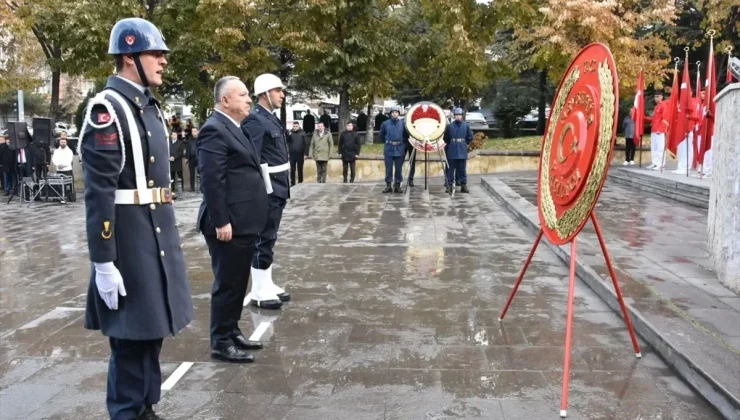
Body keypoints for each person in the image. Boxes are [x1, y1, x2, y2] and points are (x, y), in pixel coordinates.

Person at [78, 17, 192, 420]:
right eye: (155, 53)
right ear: (129, 57)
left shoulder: (145, 106)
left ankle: (146, 409)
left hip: (153, 235)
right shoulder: (107, 110)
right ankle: (128, 412)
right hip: (128, 242)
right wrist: (104, 261)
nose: (162, 61)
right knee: (129, 341)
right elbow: (99, 193)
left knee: (150, 334)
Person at [197, 76, 268, 363]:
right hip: (228, 225)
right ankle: (220, 341)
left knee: (239, 281)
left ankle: (232, 329)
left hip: (243, 222)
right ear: (225, 100)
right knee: (228, 283)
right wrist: (221, 221)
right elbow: (212, 181)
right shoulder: (214, 129)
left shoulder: (235, 127)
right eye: (242, 95)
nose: (249, 99)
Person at [241, 73, 291, 309]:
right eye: (278, 91)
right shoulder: (255, 120)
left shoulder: (270, 118)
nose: (282, 95)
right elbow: (252, 159)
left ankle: (266, 283)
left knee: (270, 237)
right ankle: (259, 290)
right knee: (263, 238)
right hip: (268, 188)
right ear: (265, 94)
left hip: (279, 185)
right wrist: (261, 191)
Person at [444, 108, 473, 193]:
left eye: (459, 115)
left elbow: (469, 137)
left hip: (462, 149)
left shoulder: (466, 126)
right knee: (450, 169)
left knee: (462, 169)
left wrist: (464, 143)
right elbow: (446, 139)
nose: (458, 116)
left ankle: (463, 185)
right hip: (452, 149)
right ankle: (449, 185)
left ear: (462, 116)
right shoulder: (449, 126)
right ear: (454, 116)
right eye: (456, 115)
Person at [380, 106, 406, 193]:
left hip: (399, 148)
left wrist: (402, 143)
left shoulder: (403, 124)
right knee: (389, 168)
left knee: (398, 169)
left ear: (398, 113)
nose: (394, 113)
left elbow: (406, 135)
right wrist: (388, 142)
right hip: (389, 149)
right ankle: (388, 185)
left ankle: (397, 185)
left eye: (396, 112)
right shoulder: (385, 123)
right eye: (393, 112)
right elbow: (381, 135)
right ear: (390, 113)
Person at [644, 91, 669, 170]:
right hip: (654, 130)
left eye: (657, 96)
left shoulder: (664, 105)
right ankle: (655, 163)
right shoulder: (656, 106)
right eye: (655, 97)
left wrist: (661, 129)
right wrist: (644, 117)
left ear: (662, 97)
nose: (656, 98)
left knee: (660, 148)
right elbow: (654, 119)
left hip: (660, 131)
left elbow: (665, 118)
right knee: (654, 148)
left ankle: (661, 164)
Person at [51, 133, 76, 201]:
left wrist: (63, 165)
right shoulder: (56, 151)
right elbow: (54, 159)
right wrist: (58, 165)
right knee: (59, 184)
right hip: (59, 170)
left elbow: (69, 160)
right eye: (62, 142)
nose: (63, 143)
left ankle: (69, 196)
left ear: (66, 143)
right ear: (59, 143)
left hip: (67, 169)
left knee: (68, 185)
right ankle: (60, 196)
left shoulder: (69, 151)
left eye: (64, 142)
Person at [288, 121, 309, 186]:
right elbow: (287, 141)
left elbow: (306, 144)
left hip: (300, 154)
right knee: (292, 169)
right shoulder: (290, 133)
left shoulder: (303, 133)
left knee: (300, 169)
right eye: (294, 126)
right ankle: (292, 183)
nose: (295, 127)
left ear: (299, 126)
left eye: (296, 126)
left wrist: (306, 154)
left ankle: (300, 183)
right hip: (292, 154)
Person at [186, 126, 199, 191]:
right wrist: (187, 157)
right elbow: (188, 148)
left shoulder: (200, 139)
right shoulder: (189, 139)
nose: (193, 132)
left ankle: (201, 187)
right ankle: (192, 187)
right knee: (191, 174)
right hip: (191, 158)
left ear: (198, 132)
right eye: (192, 131)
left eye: (194, 131)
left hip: (199, 158)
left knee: (200, 173)